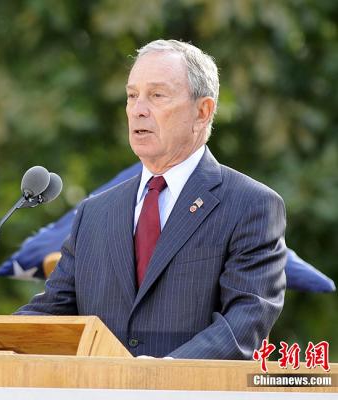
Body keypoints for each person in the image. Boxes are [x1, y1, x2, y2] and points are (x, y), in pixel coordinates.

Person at [17, 39, 287, 360]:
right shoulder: (95, 212)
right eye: (132, 96)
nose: (138, 109)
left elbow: (245, 323)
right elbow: (52, 312)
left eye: (157, 96)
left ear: (203, 111)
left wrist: (162, 374)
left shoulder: (251, 205)